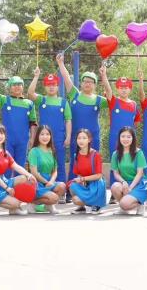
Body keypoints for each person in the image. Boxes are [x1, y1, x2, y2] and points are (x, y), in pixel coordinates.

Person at [55, 54, 108, 195]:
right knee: (75, 163)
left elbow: (110, 96)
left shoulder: (99, 100)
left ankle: (93, 191)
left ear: (95, 85)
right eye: (85, 81)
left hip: (93, 138)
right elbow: (66, 78)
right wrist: (61, 63)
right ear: (81, 83)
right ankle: (71, 192)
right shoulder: (75, 94)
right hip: (75, 138)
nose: (87, 84)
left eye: (91, 82)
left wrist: (104, 76)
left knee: (93, 163)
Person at [0, 124, 37, 215]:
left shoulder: (6, 153)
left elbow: (16, 166)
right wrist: (6, 188)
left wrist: (29, 175)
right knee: (16, 203)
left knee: (24, 178)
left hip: (2, 180)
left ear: (5, 136)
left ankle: (13, 209)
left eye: (2, 133)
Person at [27, 69, 72, 190]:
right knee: (42, 164)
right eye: (48, 85)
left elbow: (68, 120)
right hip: (43, 139)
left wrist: (68, 136)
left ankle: (61, 191)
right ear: (45, 87)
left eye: (54, 85)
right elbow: (30, 93)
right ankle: (41, 188)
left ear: (58, 86)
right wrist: (36, 76)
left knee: (60, 164)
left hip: (59, 138)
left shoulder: (64, 102)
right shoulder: (42, 100)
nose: (51, 87)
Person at [100, 70, 140, 195]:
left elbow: (136, 122)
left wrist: (131, 137)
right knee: (115, 163)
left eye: (126, 87)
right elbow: (108, 89)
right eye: (121, 87)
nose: (123, 90)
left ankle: (132, 190)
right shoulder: (113, 101)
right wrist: (104, 75)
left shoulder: (134, 104)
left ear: (130, 89)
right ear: (117, 89)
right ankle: (115, 192)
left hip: (130, 140)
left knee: (131, 163)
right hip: (115, 138)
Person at [0, 68, 37, 170]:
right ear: (10, 87)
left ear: (23, 87)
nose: (17, 87)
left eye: (19, 84)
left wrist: (32, 138)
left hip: (23, 140)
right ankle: (5, 181)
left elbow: (33, 122)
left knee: (20, 166)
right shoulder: (4, 100)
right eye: (14, 85)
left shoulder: (29, 103)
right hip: (7, 139)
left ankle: (19, 180)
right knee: (5, 165)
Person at [27, 125, 67, 213]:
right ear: (38, 136)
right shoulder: (34, 151)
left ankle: (48, 206)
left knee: (62, 186)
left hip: (49, 181)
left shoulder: (51, 150)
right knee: (54, 198)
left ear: (50, 136)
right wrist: (45, 182)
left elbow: (55, 171)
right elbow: (34, 172)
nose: (45, 137)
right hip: (37, 182)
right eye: (42, 134)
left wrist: (51, 181)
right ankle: (32, 203)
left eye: (47, 134)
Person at [109, 126, 147, 215]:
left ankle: (140, 203)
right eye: (123, 136)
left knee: (125, 204)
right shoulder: (115, 154)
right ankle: (124, 208)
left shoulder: (138, 153)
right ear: (119, 138)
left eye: (128, 137)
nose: (125, 139)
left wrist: (130, 188)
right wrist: (123, 182)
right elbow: (116, 173)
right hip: (125, 183)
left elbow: (140, 173)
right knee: (114, 187)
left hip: (138, 184)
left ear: (133, 138)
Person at [68, 128, 107, 213]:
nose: (81, 140)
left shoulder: (96, 155)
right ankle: (82, 207)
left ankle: (97, 205)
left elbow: (99, 175)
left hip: (96, 185)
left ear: (89, 140)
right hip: (85, 184)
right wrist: (80, 180)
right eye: (79, 138)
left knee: (100, 183)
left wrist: (83, 179)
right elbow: (78, 173)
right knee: (72, 186)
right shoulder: (76, 156)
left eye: (84, 138)